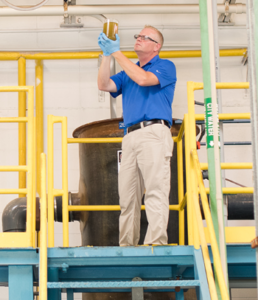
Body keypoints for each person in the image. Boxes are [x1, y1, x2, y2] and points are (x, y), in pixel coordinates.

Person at [97, 25, 177, 246]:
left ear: (156, 46)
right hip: (130, 135)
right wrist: (105, 56)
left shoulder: (165, 66)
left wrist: (116, 52)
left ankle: (155, 243)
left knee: (155, 190)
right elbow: (104, 84)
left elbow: (143, 79)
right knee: (128, 197)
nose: (139, 39)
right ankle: (127, 246)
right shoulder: (127, 72)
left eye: (145, 37)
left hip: (153, 132)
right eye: (138, 36)